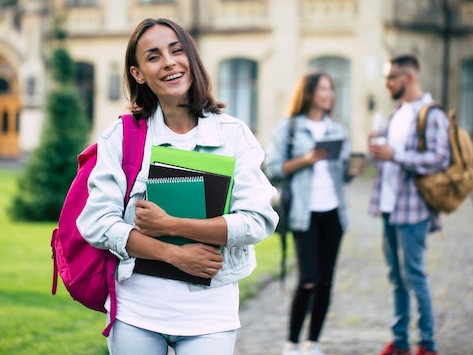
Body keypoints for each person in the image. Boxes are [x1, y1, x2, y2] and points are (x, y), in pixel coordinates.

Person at [77, 18, 278, 355]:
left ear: (191, 58)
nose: (169, 62)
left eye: (176, 50)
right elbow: (96, 223)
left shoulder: (233, 135)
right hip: (137, 312)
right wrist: (175, 254)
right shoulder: (122, 136)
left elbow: (258, 220)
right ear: (138, 73)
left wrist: (171, 225)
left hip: (210, 316)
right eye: (153, 56)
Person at [264, 72, 362, 355]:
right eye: (323, 89)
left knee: (326, 280)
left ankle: (313, 342)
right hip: (304, 214)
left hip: (334, 214)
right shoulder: (289, 129)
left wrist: (350, 171)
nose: (329, 94)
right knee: (307, 279)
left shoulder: (337, 130)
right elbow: (272, 169)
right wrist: (306, 160)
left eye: (331, 89)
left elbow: (340, 175)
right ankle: (292, 343)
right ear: (308, 93)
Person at [368, 54, 449, 355]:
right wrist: (378, 149)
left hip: (414, 209)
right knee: (395, 277)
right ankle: (400, 340)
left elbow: (440, 159)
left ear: (409, 77)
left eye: (391, 78)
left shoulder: (431, 114)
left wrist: (395, 155)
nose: (386, 84)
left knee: (414, 274)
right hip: (389, 206)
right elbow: (390, 154)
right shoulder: (396, 113)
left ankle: (427, 343)